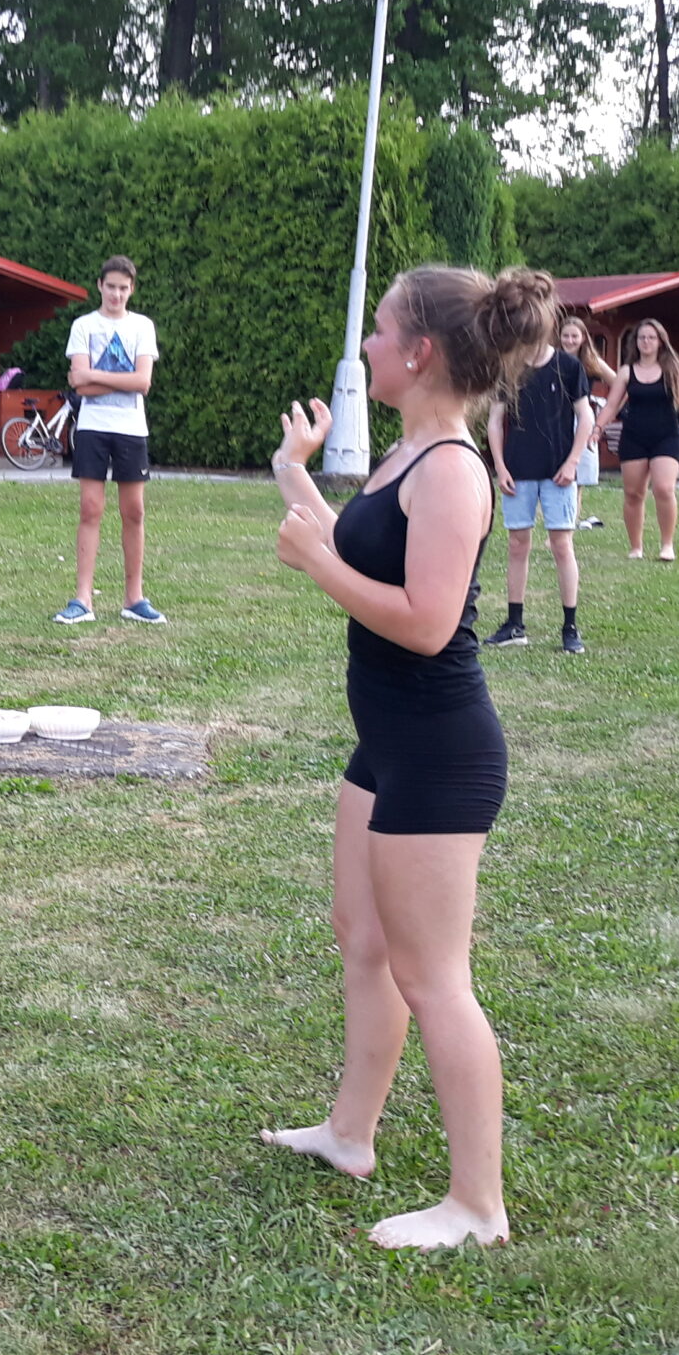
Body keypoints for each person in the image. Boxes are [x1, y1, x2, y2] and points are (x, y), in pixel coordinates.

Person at [261, 262, 561, 1251]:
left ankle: (478, 1204)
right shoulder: (407, 454)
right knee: (361, 937)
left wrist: (318, 565)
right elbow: (358, 547)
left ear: (420, 351)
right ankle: (350, 1135)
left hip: (439, 753)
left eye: (381, 330)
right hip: (385, 746)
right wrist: (295, 472)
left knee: (435, 979)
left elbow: (426, 624)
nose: (368, 345)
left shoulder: (452, 471)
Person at [55, 256, 164, 625]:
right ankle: (82, 600)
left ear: (131, 290)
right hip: (92, 429)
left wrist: (93, 377)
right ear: (100, 286)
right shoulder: (83, 326)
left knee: (134, 511)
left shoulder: (142, 327)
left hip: (132, 430)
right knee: (90, 509)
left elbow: (142, 382)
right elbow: (79, 384)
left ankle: (134, 599)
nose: (117, 294)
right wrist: (119, 378)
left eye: (123, 288)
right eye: (111, 286)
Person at [484, 312, 599, 653]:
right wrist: (500, 466)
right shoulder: (509, 368)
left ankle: (570, 627)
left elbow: (586, 416)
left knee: (562, 546)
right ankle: (514, 624)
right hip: (518, 470)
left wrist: (573, 462)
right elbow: (495, 420)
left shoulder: (568, 366)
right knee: (517, 544)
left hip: (557, 471)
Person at [614, 317, 679, 561]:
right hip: (634, 437)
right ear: (636, 342)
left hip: (667, 436)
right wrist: (598, 427)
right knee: (633, 493)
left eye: (651, 337)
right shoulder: (626, 371)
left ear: (661, 341)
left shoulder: (674, 370)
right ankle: (636, 547)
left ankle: (667, 545)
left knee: (664, 488)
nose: (646, 342)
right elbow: (612, 405)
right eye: (642, 337)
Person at [557, 315, 615, 524]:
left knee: (577, 477)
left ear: (583, 338)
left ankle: (569, 525)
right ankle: (558, 523)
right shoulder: (552, 359)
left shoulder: (591, 362)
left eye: (575, 336)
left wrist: (606, 413)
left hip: (580, 419)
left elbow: (619, 384)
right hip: (554, 419)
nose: (570, 340)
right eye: (566, 336)